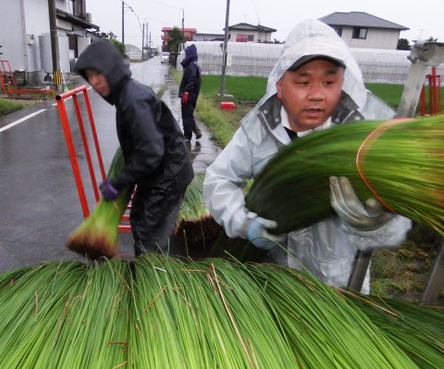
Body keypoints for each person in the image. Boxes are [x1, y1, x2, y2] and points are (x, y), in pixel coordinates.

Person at [203, 19, 411, 293]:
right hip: (276, 279)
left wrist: (373, 225)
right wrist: (245, 224)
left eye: (328, 81)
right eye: (303, 81)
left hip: (340, 283)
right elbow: (218, 179)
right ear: (281, 84)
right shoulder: (261, 128)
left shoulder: (364, 136)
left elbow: (398, 221)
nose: (316, 95)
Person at [74, 40, 194, 257]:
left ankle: (153, 281)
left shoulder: (132, 100)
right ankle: (147, 269)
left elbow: (151, 152)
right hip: (162, 171)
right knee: (140, 216)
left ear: (110, 68)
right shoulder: (126, 95)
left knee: (151, 237)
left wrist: (118, 181)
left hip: (168, 176)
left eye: (97, 74)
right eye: (89, 76)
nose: (94, 82)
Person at [178, 44, 202, 142]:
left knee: (186, 116)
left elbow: (191, 80)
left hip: (189, 96)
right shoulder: (194, 65)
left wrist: (186, 93)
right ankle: (197, 131)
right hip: (191, 95)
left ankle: (187, 136)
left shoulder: (192, 66)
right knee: (189, 114)